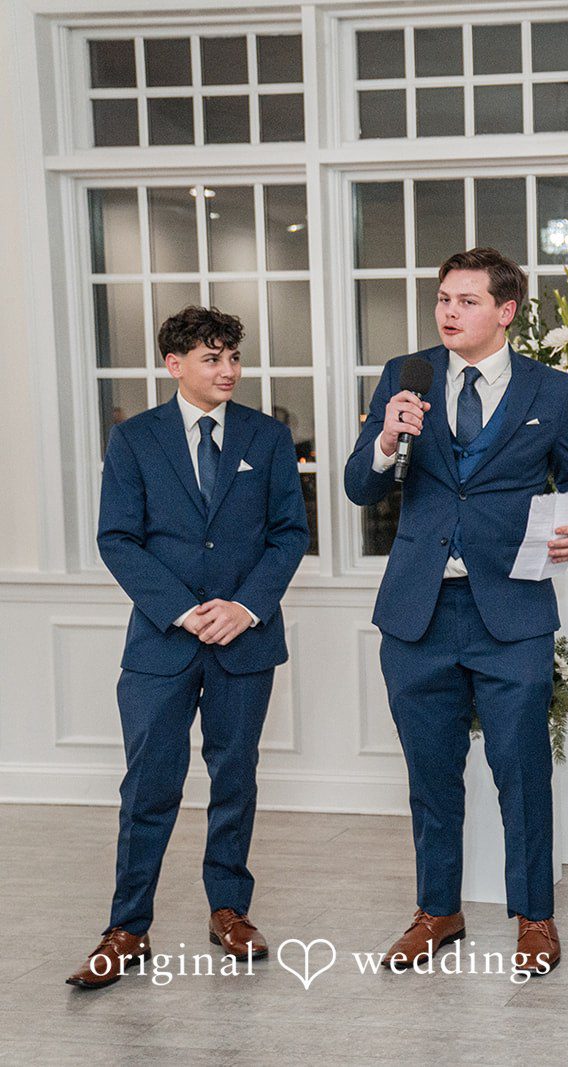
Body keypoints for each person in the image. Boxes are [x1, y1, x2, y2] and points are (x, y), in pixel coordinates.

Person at [344, 247, 568, 978]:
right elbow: (359, 487)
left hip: (511, 611)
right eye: (442, 298)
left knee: (521, 769)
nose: (448, 312)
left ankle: (535, 917)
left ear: (506, 310)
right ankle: (438, 910)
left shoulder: (550, 391)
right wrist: (389, 438)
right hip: (417, 613)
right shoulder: (407, 375)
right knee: (431, 773)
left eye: (465, 300)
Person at [70, 306, 310, 989]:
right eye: (212, 358)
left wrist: (245, 606)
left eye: (232, 356)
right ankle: (127, 927)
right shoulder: (134, 439)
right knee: (149, 785)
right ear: (174, 364)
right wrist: (181, 610)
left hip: (246, 640)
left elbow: (290, 533)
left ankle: (229, 908)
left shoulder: (268, 437)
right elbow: (117, 537)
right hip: (161, 643)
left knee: (235, 779)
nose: (228, 369)